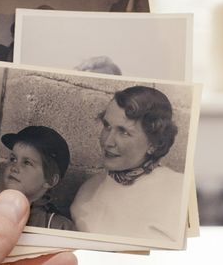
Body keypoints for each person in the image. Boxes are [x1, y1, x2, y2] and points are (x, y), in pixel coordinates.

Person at [70, 85, 184, 242]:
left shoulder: (179, 192)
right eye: (107, 126)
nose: (108, 142)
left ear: (154, 144)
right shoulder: (88, 189)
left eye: (124, 132)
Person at [0, 126, 76, 231]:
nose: (14, 168)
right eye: (13, 159)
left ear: (50, 180)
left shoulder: (58, 226)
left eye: (27, 163)